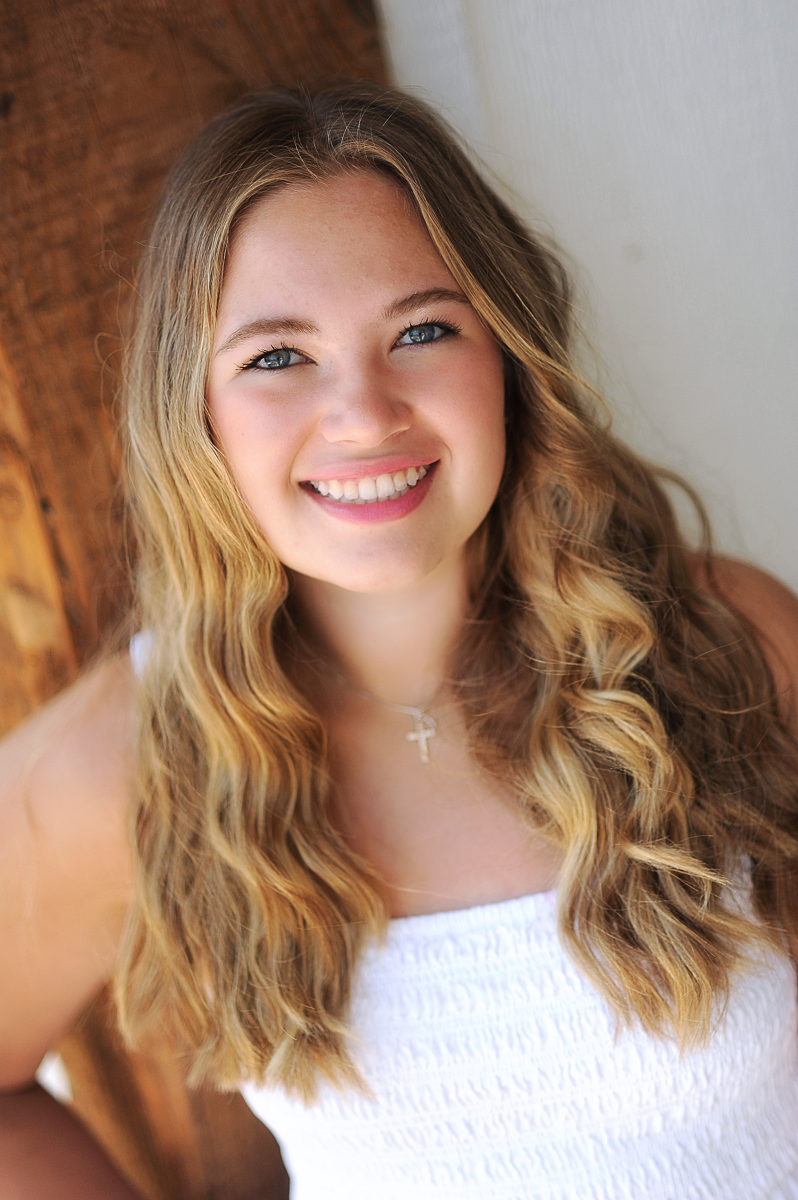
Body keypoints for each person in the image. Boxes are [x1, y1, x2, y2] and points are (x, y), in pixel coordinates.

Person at [1, 81, 798, 1200]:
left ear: (509, 364)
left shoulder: (727, 648)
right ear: (197, 413)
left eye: (423, 330)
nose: (366, 414)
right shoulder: (132, 760)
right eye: (279, 357)